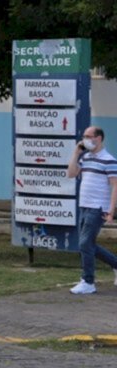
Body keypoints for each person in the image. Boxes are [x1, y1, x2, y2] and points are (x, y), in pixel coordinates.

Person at [67, 126, 117, 295]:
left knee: (84, 243)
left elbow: (115, 186)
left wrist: (111, 211)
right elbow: (71, 174)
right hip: (84, 205)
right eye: (84, 136)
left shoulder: (109, 160)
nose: (85, 139)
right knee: (88, 244)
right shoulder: (85, 157)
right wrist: (76, 153)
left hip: (98, 207)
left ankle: (88, 281)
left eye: (89, 136)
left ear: (99, 138)